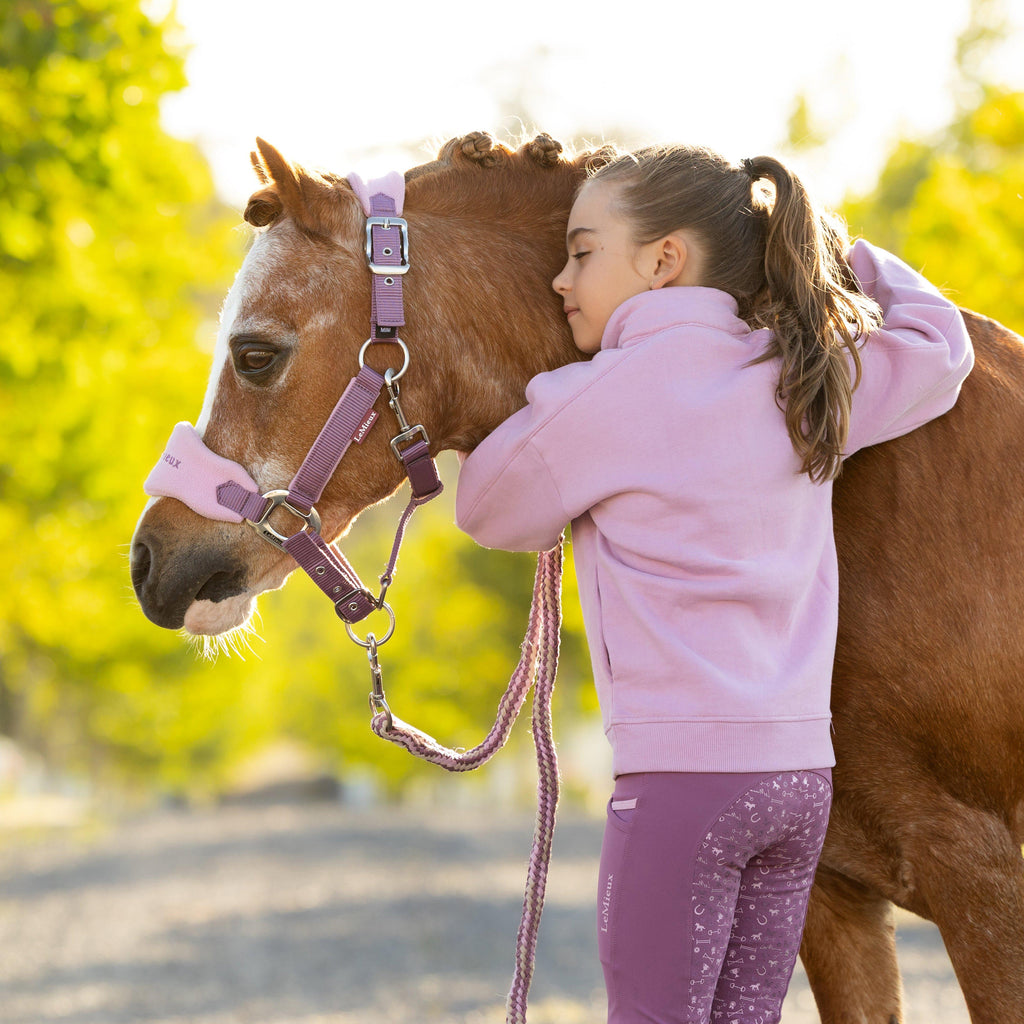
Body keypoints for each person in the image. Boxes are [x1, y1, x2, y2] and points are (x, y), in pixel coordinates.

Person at [454, 144, 974, 1024]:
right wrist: (844, 254)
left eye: (582, 252)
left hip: (682, 785)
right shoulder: (804, 377)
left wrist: (549, 403)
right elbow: (940, 345)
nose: (560, 279)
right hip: (799, 783)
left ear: (664, 262)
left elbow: (490, 509)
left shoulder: (602, 397)